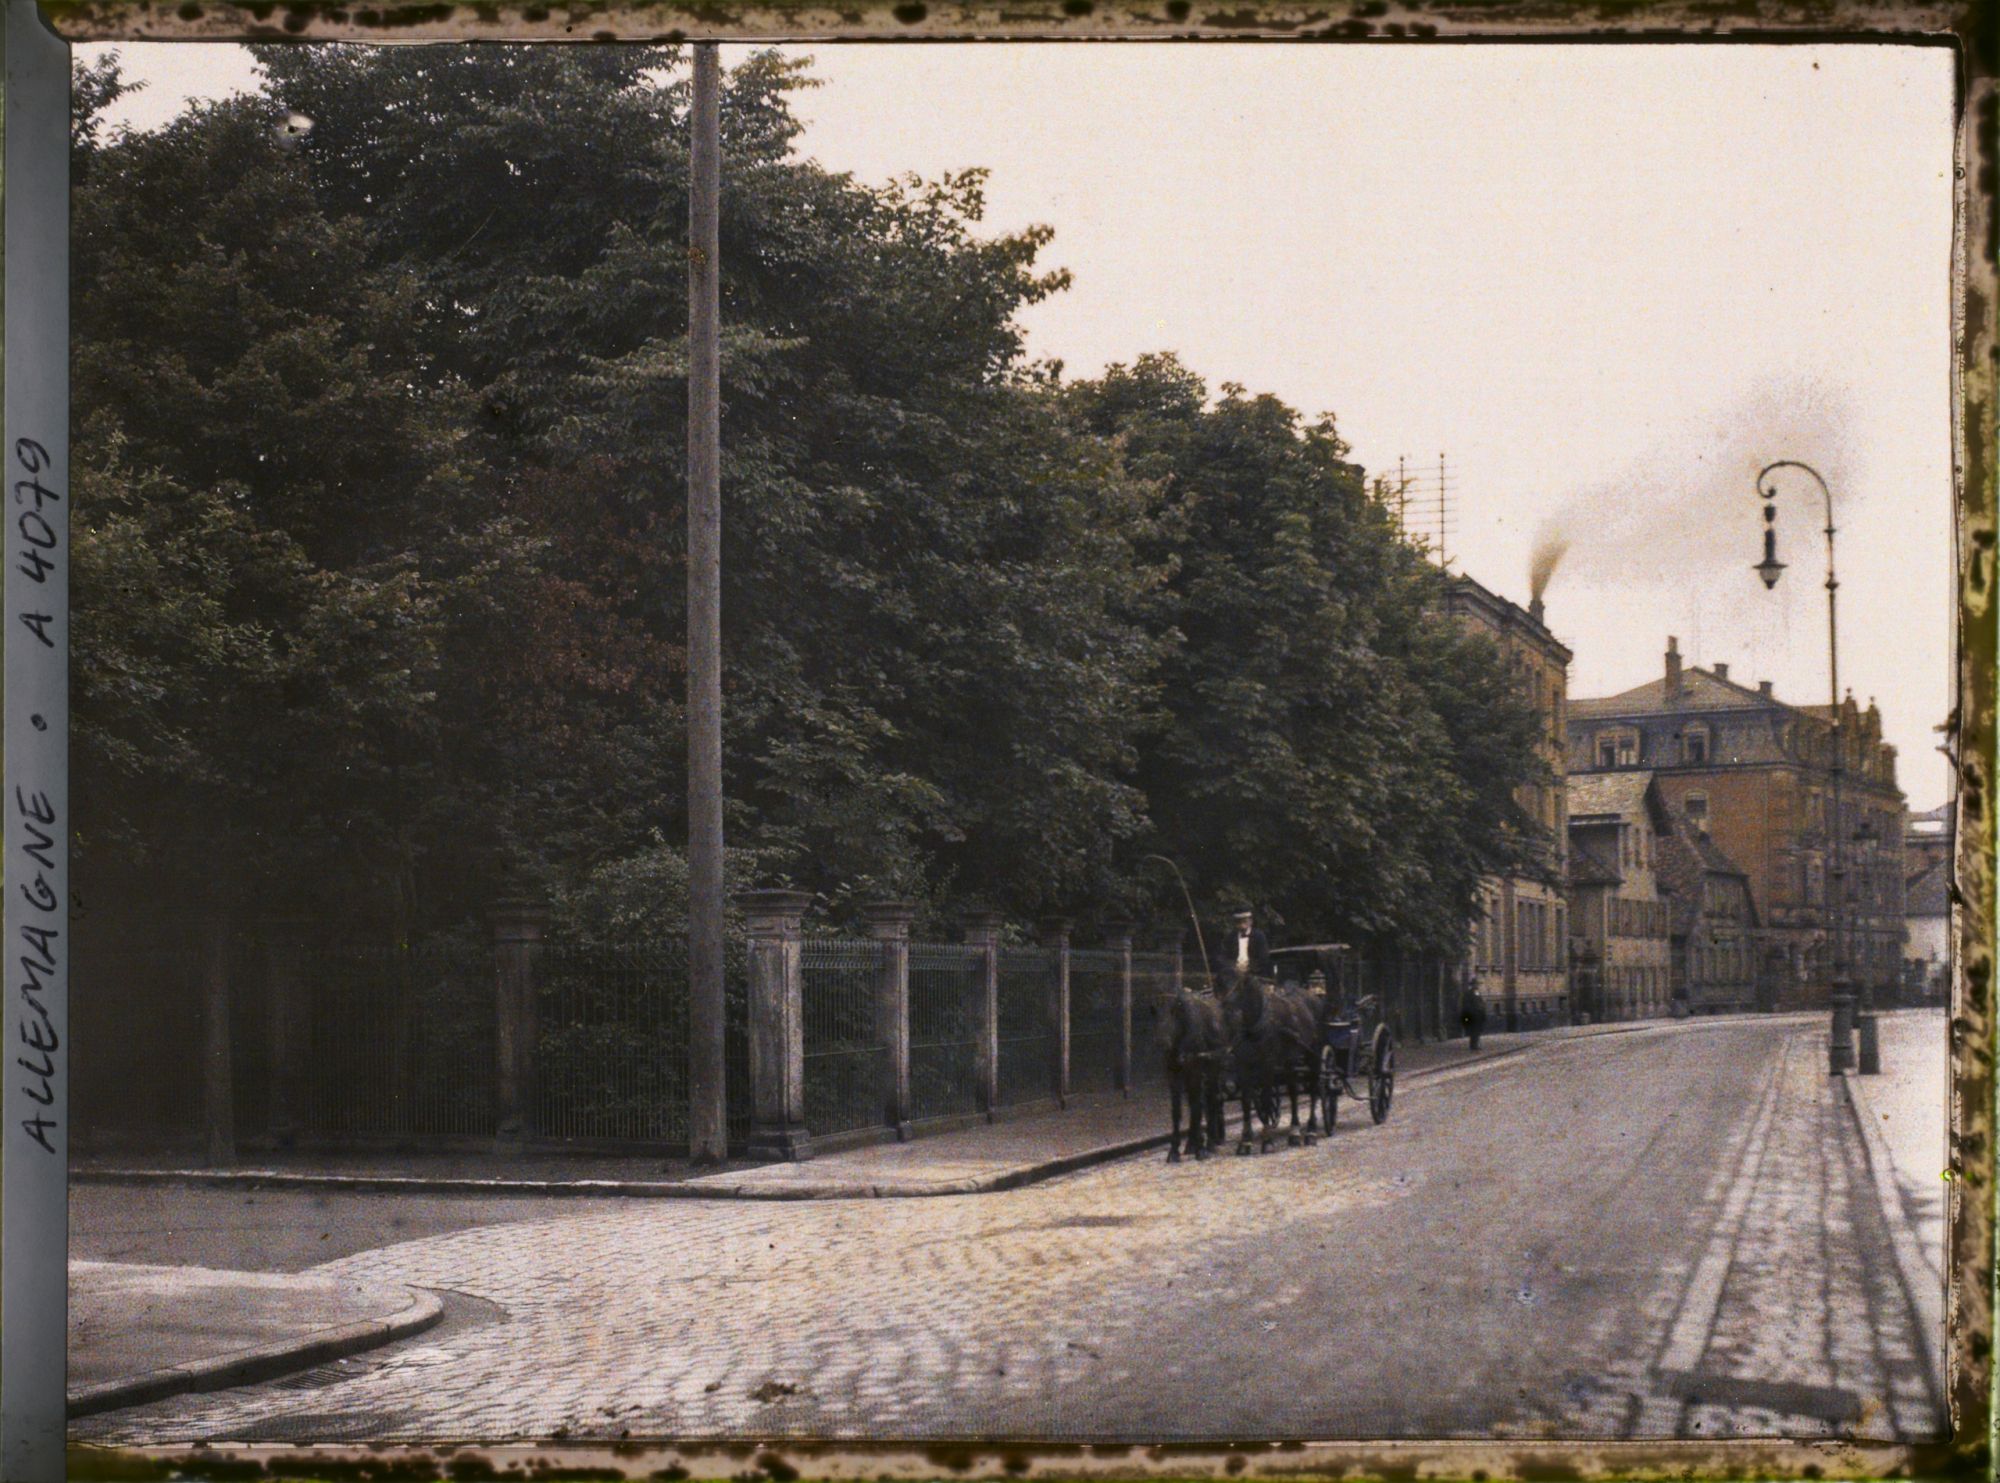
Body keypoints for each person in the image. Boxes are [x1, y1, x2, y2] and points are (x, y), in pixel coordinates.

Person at [1459, 972, 1488, 1051]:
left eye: (1477, 984)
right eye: (1475, 984)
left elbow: (1480, 1002)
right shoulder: (1469, 993)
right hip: (1473, 1015)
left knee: (1478, 1030)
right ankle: (1473, 1045)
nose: (1476, 986)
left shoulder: (1477, 992)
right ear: (1472, 985)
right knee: (1474, 1030)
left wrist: (1482, 1009)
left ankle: (1476, 1044)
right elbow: (1467, 1004)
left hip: (1478, 1015)